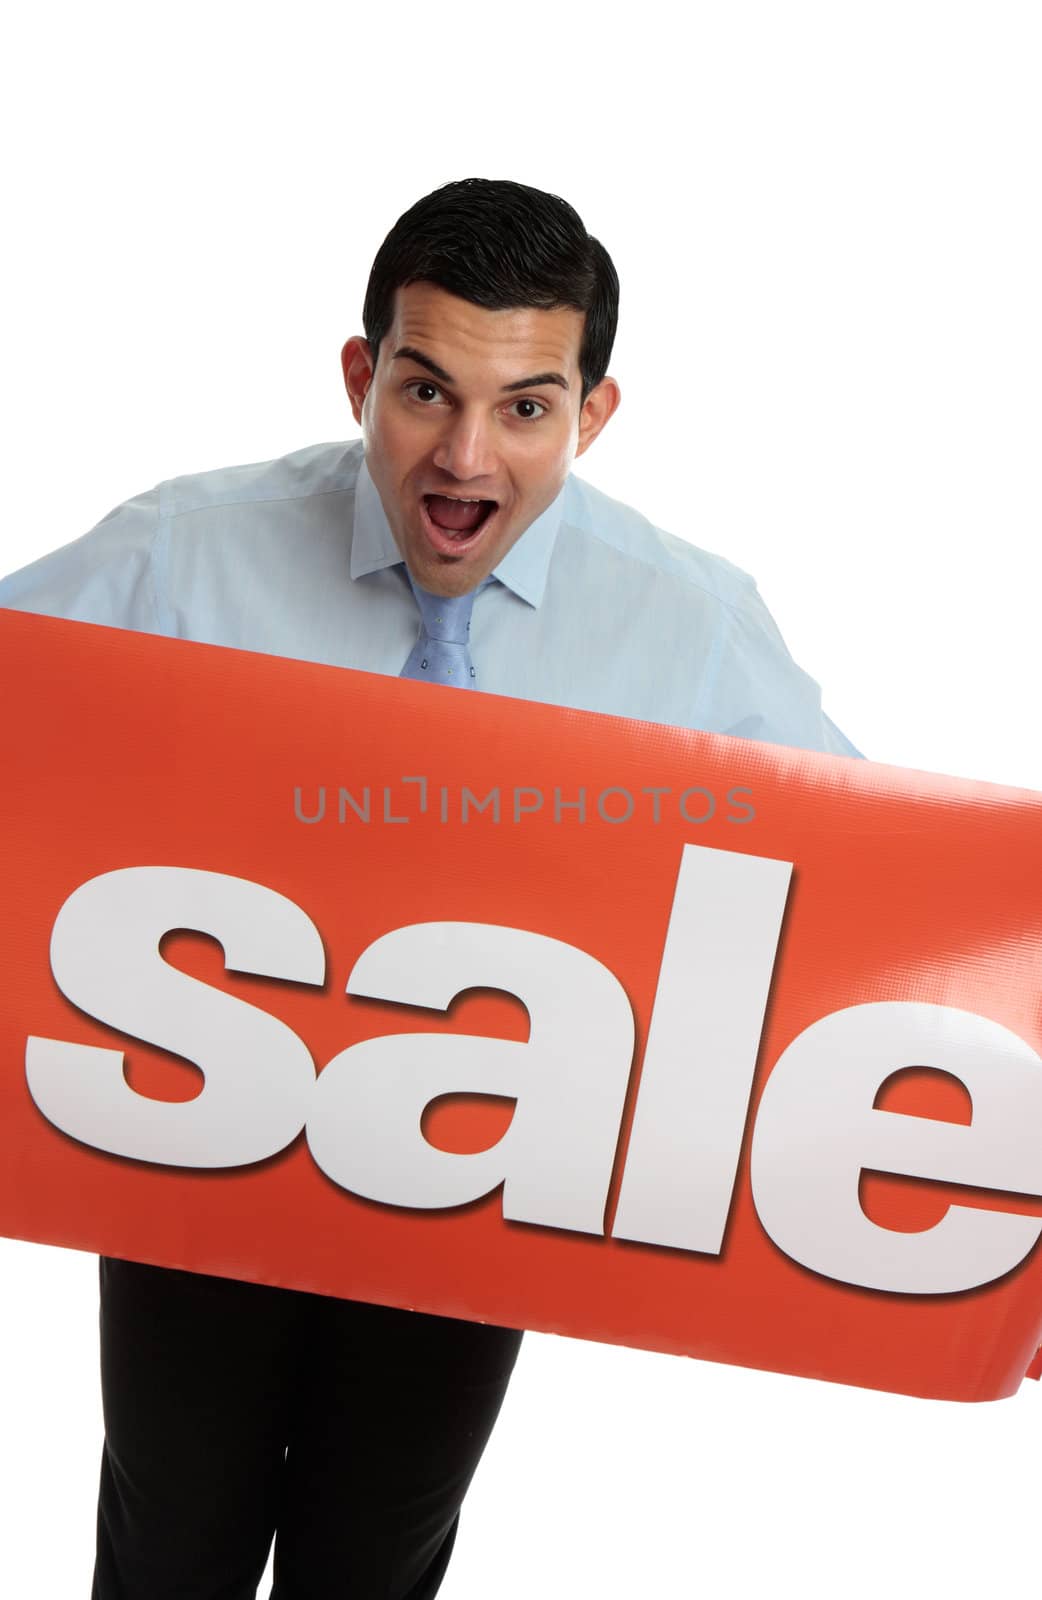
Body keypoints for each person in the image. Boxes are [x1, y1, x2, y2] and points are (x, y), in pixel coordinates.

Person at [0, 177, 858, 1599]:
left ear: (590, 415)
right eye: (423, 391)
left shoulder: (689, 624)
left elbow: (859, 893)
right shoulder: (183, 553)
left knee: (376, 1557)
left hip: (480, 1168)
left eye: (524, 406)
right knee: (170, 1539)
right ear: (360, 376)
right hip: (193, 1136)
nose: (463, 456)